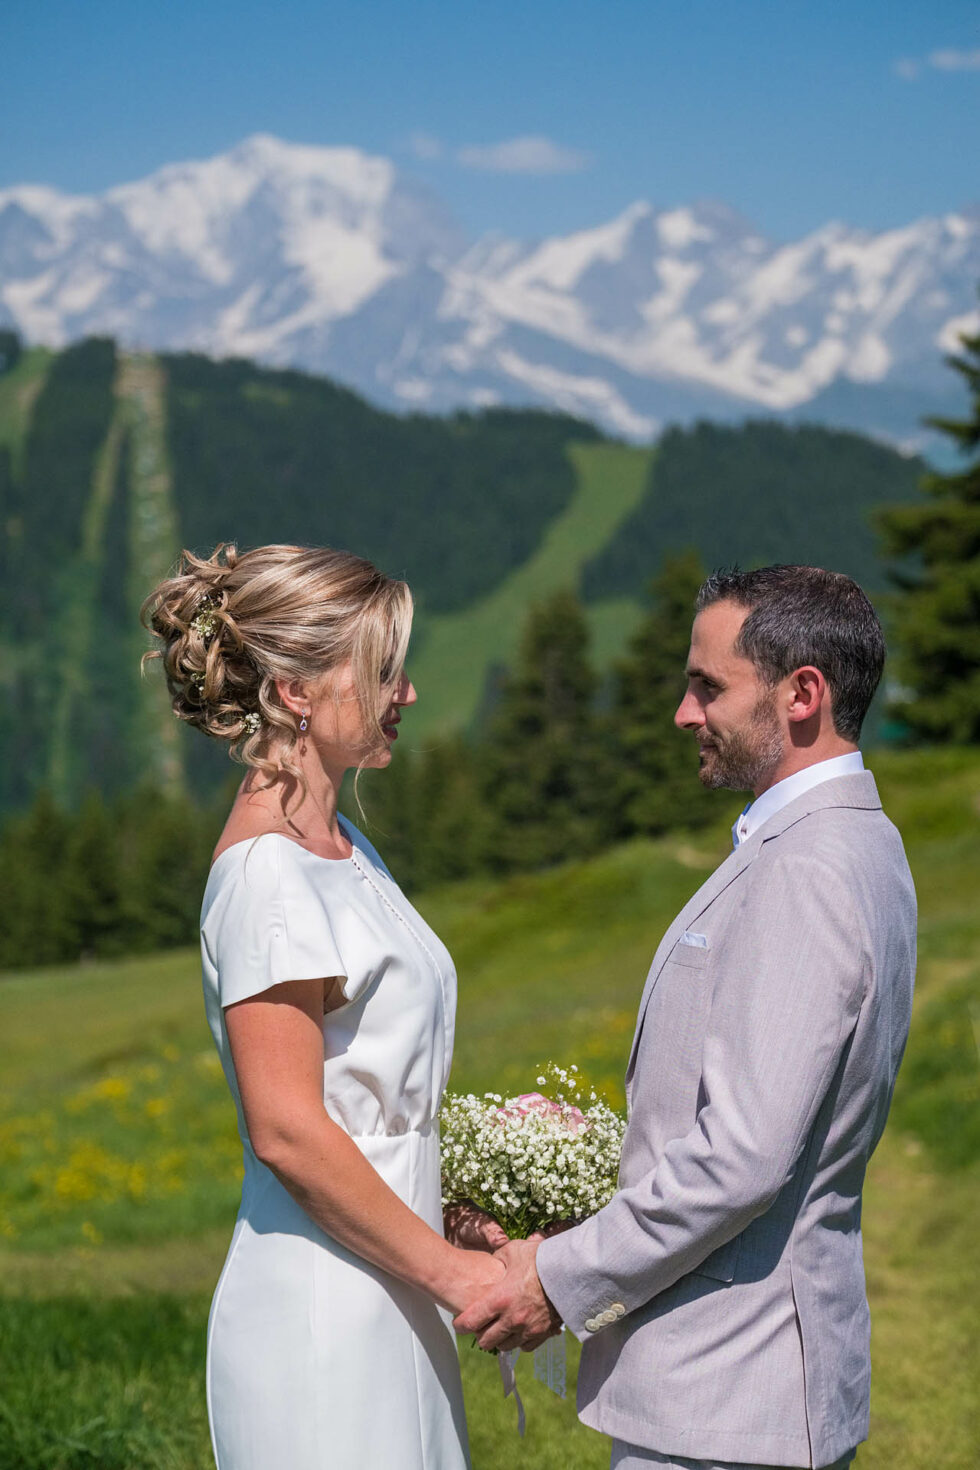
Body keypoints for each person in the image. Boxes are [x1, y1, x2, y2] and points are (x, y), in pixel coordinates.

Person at [457, 565, 917, 1470]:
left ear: (802, 695)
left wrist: (559, 1277)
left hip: (732, 1389)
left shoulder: (807, 869)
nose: (682, 711)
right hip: (749, 1384)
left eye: (708, 686)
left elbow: (743, 1156)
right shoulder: (864, 839)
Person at [142, 543, 503, 1470]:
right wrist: (454, 1274)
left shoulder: (342, 845)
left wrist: (454, 1207)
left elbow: (363, 1097)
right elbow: (289, 1132)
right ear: (297, 692)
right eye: (383, 671)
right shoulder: (268, 875)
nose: (406, 694)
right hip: (325, 1308)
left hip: (389, 1285)